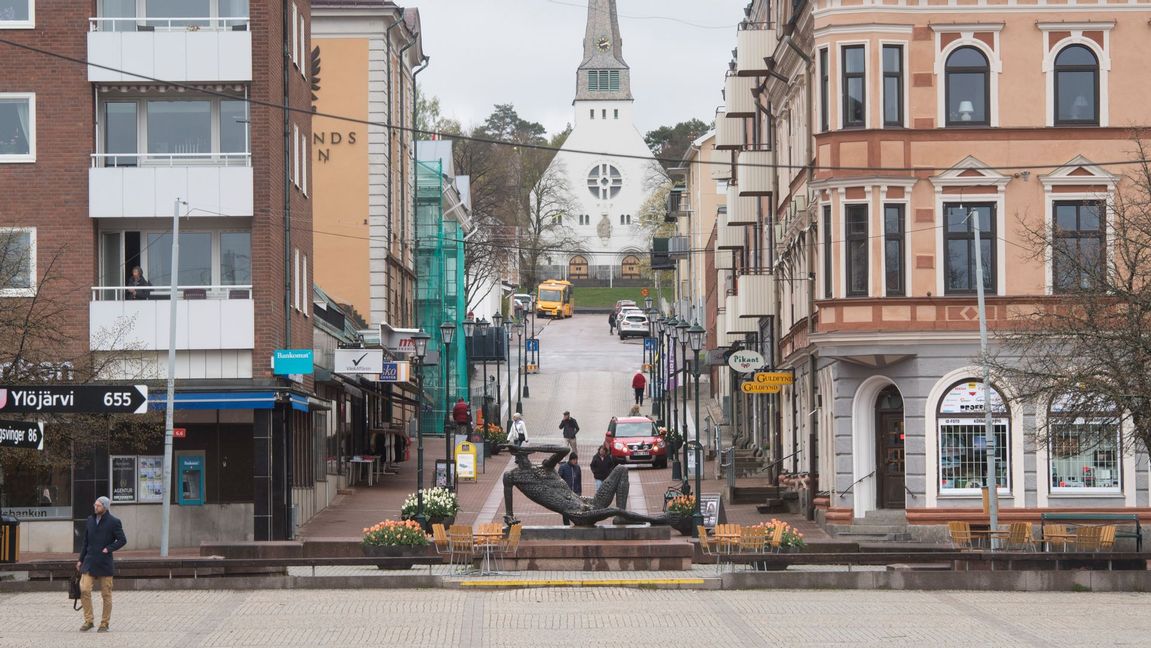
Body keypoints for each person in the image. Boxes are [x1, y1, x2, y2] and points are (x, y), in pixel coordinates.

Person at [75, 496, 127, 633]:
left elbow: (122, 540)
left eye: (98, 505)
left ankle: (104, 623)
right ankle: (88, 620)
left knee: (106, 594)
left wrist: (109, 548)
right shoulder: (90, 520)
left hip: (104, 563)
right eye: (95, 504)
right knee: (84, 590)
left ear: (105, 507)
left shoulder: (114, 522)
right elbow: (85, 542)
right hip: (89, 561)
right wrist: (80, 559)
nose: (95, 507)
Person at [557, 453, 582, 525]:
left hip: (575, 492)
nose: (575, 461)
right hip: (566, 493)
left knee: (576, 509)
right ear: (570, 459)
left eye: (576, 460)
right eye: (574, 460)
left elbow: (579, 480)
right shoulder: (563, 467)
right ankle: (566, 524)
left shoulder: (577, 467)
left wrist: (579, 492)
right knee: (566, 510)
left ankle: (577, 523)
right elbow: (559, 480)